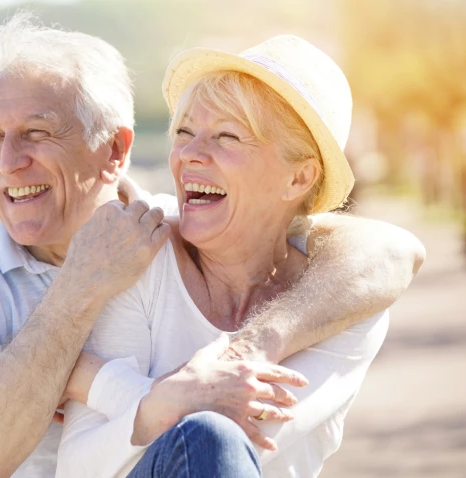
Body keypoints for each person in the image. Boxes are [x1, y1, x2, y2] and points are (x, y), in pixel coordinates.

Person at [0, 13, 426, 478]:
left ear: (115, 150)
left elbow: (388, 249)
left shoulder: (164, 241)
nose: (7, 161)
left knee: (212, 438)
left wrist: (230, 355)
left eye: (37, 133)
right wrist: (79, 290)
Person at [55, 36, 419, 478]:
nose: (188, 154)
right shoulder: (143, 262)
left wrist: (102, 385)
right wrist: (159, 401)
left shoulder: (346, 304)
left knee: (211, 437)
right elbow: (79, 467)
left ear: (298, 177)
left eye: (227, 136)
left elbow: (240, 438)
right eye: (185, 132)